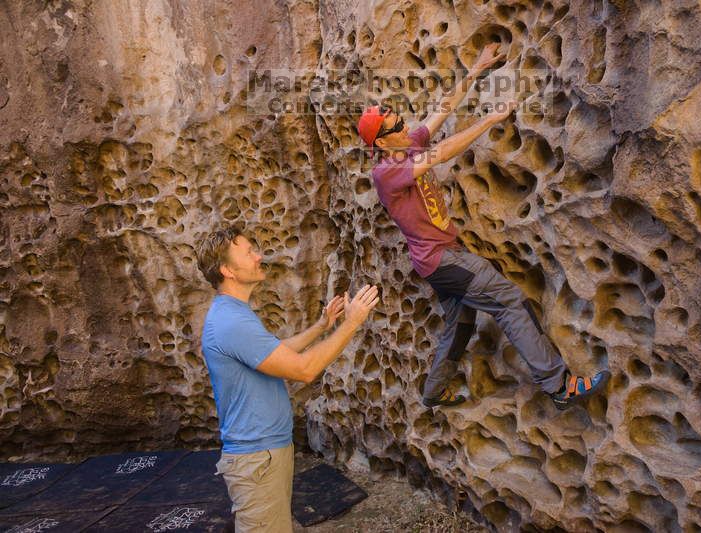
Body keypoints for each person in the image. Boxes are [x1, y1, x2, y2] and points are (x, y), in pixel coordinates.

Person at [357, 43, 609, 411]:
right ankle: (560, 386)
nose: (402, 122)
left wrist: (474, 71)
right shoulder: (386, 173)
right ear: (381, 140)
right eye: (394, 123)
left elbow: (440, 112)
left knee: (459, 323)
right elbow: (441, 154)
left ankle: (433, 392)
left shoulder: (407, 145)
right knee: (509, 300)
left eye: (398, 115)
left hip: (439, 258)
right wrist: (490, 120)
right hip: (441, 259)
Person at [196, 226, 380, 532]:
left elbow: (275, 353)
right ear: (228, 270)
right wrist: (352, 323)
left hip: (265, 454)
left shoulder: (234, 313)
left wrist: (323, 325)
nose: (259, 256)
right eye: (248, 252)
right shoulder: (231, 320)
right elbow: (303, 370)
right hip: (256, 459)